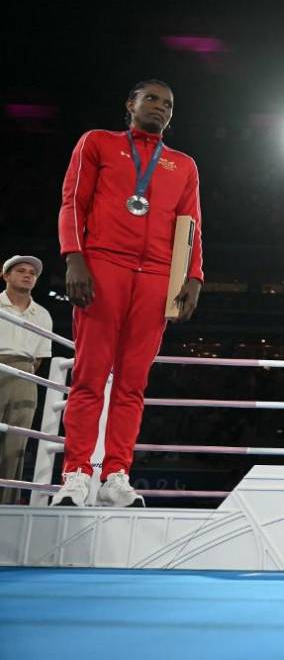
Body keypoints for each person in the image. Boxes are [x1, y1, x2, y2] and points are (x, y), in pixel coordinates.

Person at [51, 79, 204, 507]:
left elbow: (190, 224)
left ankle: (116, 472)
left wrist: (194, 276)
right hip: (104, 265)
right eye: (151, 98)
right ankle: (77, 472)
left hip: (156, 276)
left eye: (168, 103)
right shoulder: (97, 143)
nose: (160, 107)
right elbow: (73, 203)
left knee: (133, 383)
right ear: (130, 104)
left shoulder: (183, 164)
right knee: (89, 375)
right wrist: (73, 256)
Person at [0, 255, 53, 504]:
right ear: (6, 275)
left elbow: (40, 359)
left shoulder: (42, 315)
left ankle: (6, 508)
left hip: (25, 376)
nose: (28, 275)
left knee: (15, 447)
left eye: (32, 272)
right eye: (21, 270)